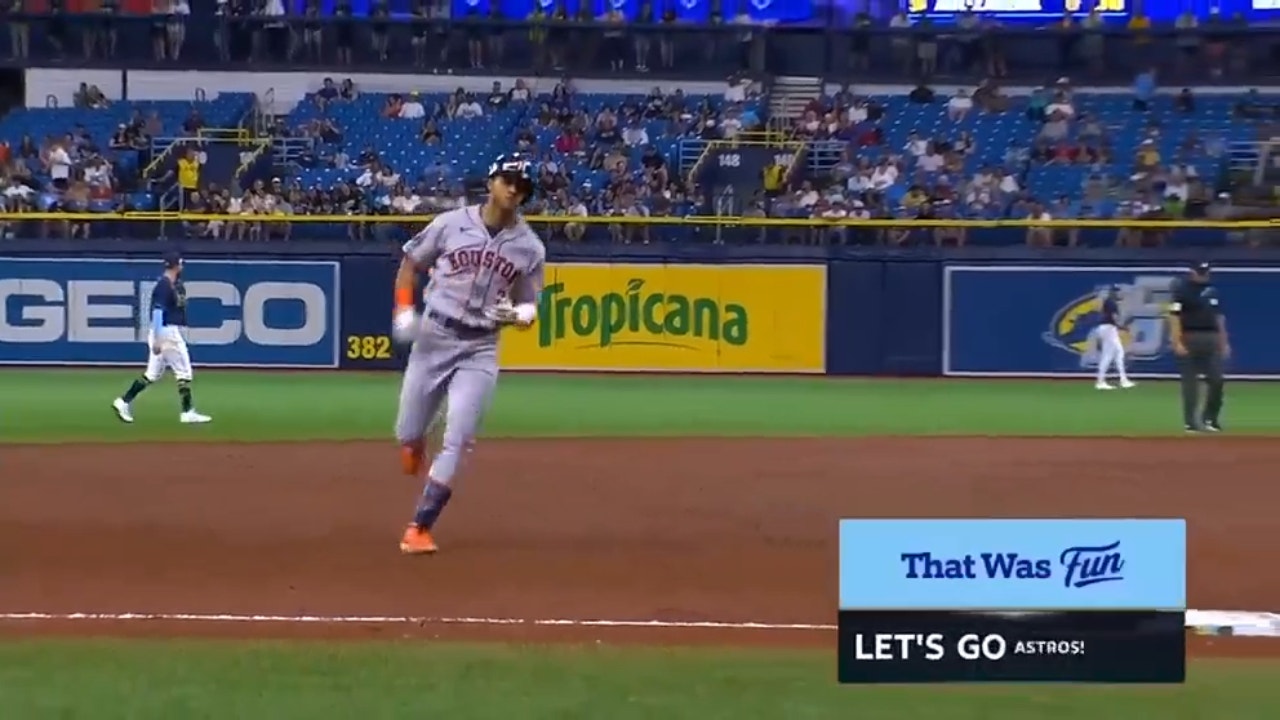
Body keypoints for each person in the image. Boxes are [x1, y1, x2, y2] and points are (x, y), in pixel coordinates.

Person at [390, 155, 546, 555]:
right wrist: (405, 310)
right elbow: (411, 263)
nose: (514, 189)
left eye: (522, 186)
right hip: (435, 336)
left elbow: (530, 305)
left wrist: (519, 315)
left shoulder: (529, 247)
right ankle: (414, 441)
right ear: (491, 182)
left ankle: (420, 526)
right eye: (508, 180)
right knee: (407, 433)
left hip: (481, 345)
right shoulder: (450, 223)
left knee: (460, 437)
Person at [111, 253, 213, 425]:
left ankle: (123, 401)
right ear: (175, 265)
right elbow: (158, 312)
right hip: (167, 332)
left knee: (152, 374)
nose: (182, 266)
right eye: (180, 263)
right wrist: (158, 338)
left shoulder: (173, 285)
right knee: (184, 372)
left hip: (163, 332)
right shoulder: (164, 286)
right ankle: (187, 412)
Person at [1169, 262, 1229, 432]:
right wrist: (1177, 341)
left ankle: (1210, 419)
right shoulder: (1181, 291)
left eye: (1206, 272)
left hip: (1211, 338)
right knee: (1190, 384)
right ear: (1192, 273)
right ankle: (1190, 422)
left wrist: (1224, 342)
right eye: (1201, 272)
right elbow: (1174, 317)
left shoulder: (1213, 291)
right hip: (1189, 337)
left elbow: (1220, 319)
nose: (1204, 275)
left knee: (1217, 380)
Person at [1094, 285, 1135, 391]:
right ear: (1113, 293)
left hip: (1106, 328)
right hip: (1109, 328)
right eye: (1117, 292)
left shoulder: (1108, 301)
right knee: (1108, 355)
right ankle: (1101, 382)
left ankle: (1123, 380)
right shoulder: (1112, 302)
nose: (1119, 293)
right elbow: (1114, 318)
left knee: (1118, 353)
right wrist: (1123, 327)